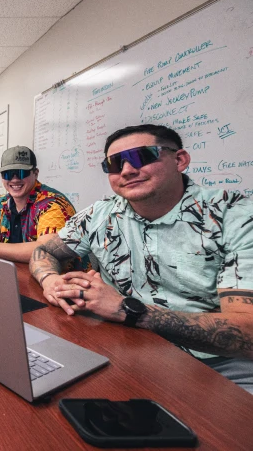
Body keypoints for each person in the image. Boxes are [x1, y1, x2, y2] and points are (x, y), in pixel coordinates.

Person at [29, 124, 253, 393]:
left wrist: (127, 309)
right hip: (127, 346)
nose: (126, 170)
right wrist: (49, 280)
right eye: (114, 164)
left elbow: (247, 332)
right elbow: (45, 252)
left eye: (142, 157)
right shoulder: (100, 215)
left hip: (219, 367)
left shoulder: (234, 216)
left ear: (179, 160)